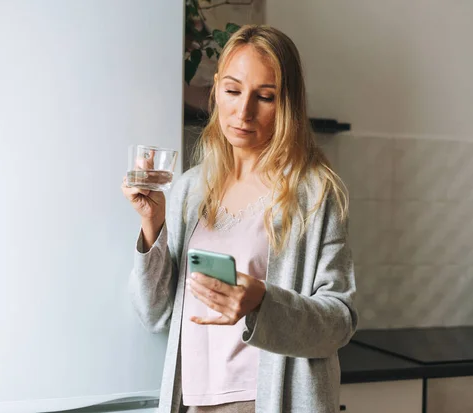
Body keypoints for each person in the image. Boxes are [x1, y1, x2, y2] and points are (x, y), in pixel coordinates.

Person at [122, 24, 358, 413]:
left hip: (267, 402)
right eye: (232, 91)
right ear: (215, 89)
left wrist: (262, 302)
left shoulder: (314, 194)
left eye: (264, 97)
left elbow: (340, 321)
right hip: (193, 401)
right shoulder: (190, 190)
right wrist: (153, 225)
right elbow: (155, 313)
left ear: (287, 103)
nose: (243, 112)